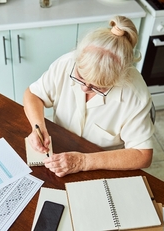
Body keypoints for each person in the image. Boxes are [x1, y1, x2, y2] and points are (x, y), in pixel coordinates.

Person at [23, 15, 154, 177]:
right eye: (80, 77)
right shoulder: (67, 64)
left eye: (97, 86)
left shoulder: (135, 94)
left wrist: (83, 162)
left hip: (102, 163)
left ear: (120, 78)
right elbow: (33, 94)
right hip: (61, 149)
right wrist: (38, 127)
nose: (85, 88)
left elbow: (143, 155)